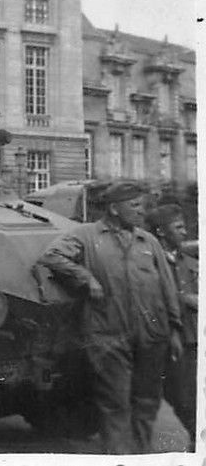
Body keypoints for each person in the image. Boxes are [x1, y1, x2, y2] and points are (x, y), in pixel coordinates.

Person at [37, 181, 182, 453]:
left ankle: (141, 454)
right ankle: (118, 456)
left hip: (151, 336)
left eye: (142, 205)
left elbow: (167, 287)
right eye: (134, 205)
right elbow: (52, 256)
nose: (141, 211)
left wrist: (174, 328)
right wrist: (85, 278)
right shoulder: (86, 236)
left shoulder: (147, 240)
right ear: (114, 209)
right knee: (115, 403)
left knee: (147, 401)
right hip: (108, 336)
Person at [146, 203, 198, 450]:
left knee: (190, 398)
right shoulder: (150, 262)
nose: (185, 232)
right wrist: (186, 298)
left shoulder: (185, 259)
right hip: (167, 340)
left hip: (191, 339)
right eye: (178, 227)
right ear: (162, 232)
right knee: (183, 399)